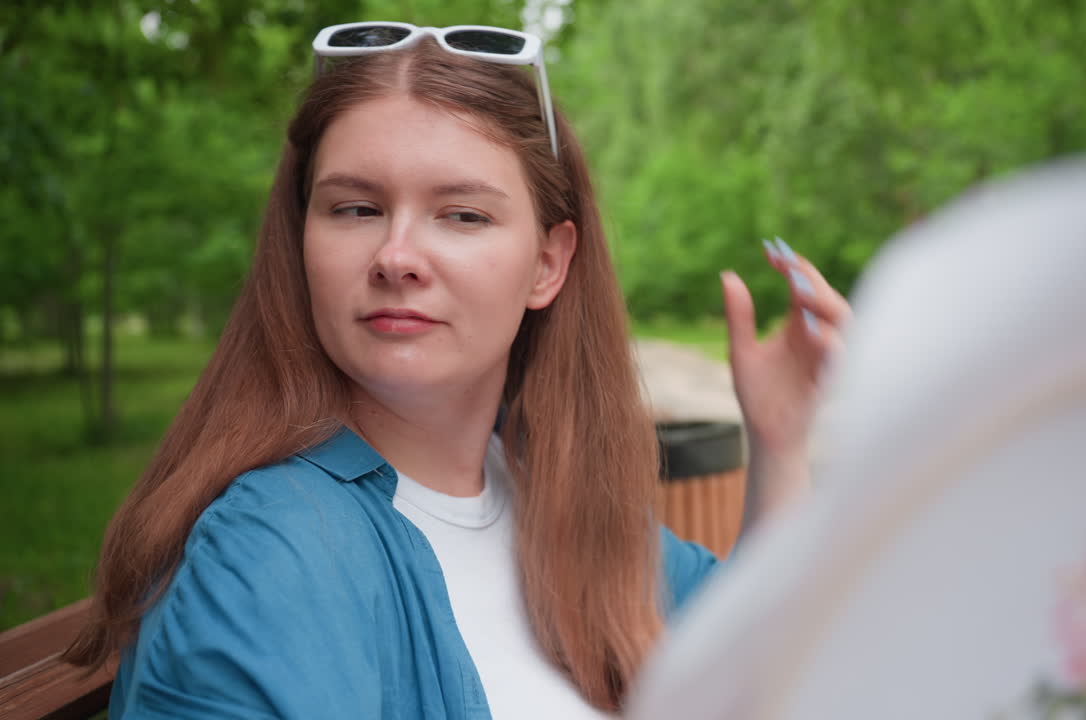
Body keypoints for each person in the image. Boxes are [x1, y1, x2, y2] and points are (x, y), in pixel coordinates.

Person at [64, 21, 851, 719]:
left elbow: (747, 649)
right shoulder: (272, 552)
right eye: (355, 208)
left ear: (548, 264)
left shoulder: (543, 491)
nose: (397, 257)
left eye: (462, 215)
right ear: (300, 240)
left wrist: (779, 442)